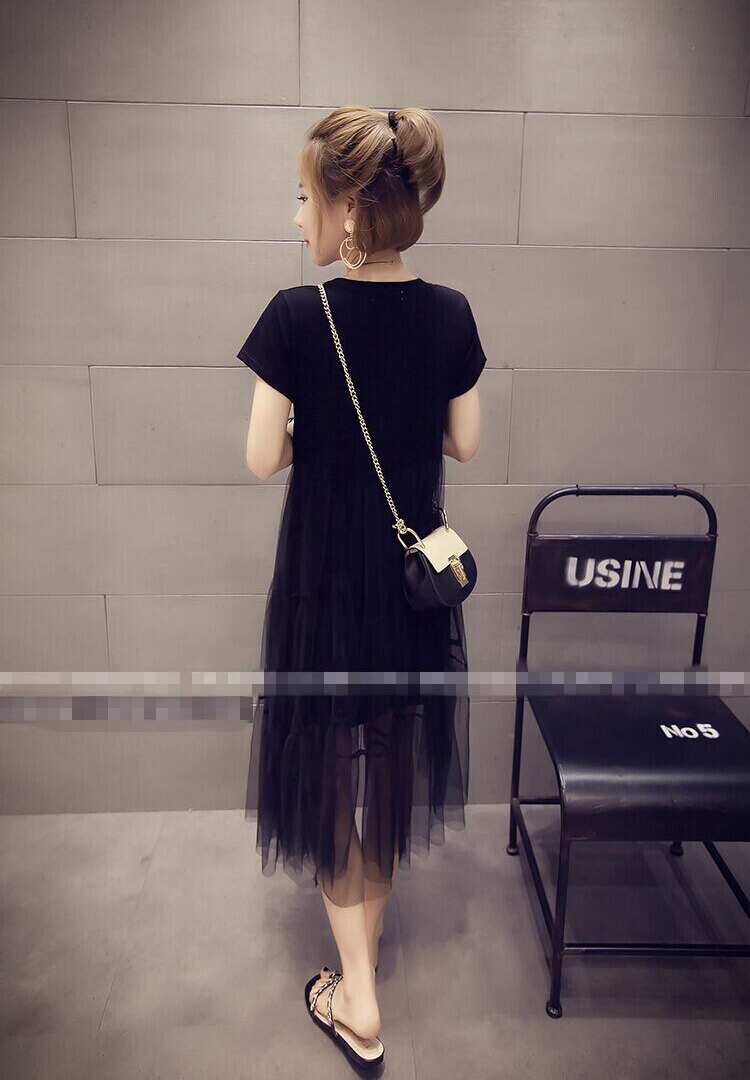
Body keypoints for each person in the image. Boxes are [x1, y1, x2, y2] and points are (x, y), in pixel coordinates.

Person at [237, 105, 486, 1069]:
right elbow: (465, 441)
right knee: (385, 768)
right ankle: (361, 964)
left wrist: (319, 434)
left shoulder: (296, 316)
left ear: (348, 207)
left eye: (304, 195)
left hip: (323, 585)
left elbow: (262, 456)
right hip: (411, 588)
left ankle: (360, 997)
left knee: (329, 774)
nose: (296, 214)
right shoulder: (451, 312)